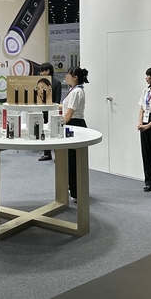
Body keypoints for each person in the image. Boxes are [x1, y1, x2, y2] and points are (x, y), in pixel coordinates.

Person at [61, 66, 89, 201]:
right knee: (70, 159)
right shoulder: (74, 90)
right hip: (74, 124)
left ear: (75, 77)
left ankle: (76, 192)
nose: (66, 77)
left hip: (74, 125)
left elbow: (69, 113)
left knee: (73, 161)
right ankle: (73, 188)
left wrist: (60, 124)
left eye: (68, 74)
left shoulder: (76, 92)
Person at [38, 62, 62, 161]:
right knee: (43, 130)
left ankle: (58, 154)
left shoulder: (56, 83)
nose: (41, 73)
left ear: (48, 71)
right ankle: (47, 153)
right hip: (43, 110)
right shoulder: (40, 83)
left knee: (55, 131)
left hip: (52, 111)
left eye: (42, 71)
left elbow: (57, 100)